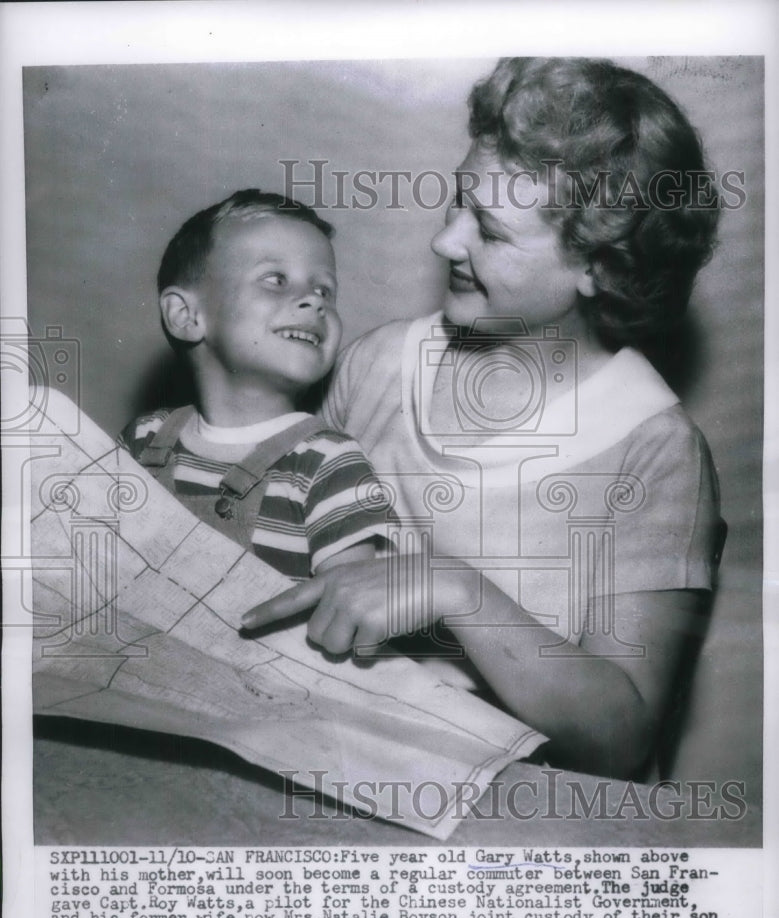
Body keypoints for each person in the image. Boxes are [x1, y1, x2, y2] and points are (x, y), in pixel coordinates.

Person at [242, 59, 724, 780]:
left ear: (601, 266)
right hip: (337, 762)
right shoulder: (376, 363)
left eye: (490, 232)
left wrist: (452, 588)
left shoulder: (655, 451)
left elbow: (619, 741)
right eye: (457, 201)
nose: (446, 242)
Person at [119, 189, 391, 579]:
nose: (315, 303)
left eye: (324, 290)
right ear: (185, 315)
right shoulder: (143, 441)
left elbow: (349, 611)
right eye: (276, 279)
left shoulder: (329, 463)